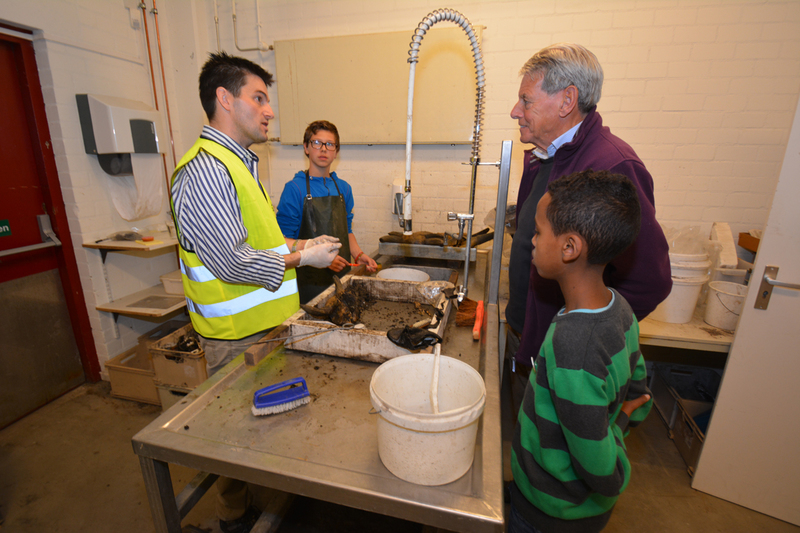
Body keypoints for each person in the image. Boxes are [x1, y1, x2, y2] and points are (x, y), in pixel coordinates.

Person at [170, 51, 341, 533]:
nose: (269, 110)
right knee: (235, 438)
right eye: (259, 97)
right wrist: (301, 259)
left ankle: (273, 506)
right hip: (235, 338)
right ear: (225, 99)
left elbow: (259, 242)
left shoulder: (240, 167)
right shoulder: (205, 170)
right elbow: (232, 260)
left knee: (267, 428)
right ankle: (233, 520)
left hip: (265, 329)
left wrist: (303, 243)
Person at [504, 43, 671, 411]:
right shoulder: (541, 157)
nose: (516, 111)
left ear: (567, 101)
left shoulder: (612, 166)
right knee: (532, 440)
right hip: (529, 335)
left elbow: (649, 281)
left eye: (526, 100)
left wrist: (581, 339)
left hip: (566, 358)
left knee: (567, 454)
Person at [509, 170, 653, 533]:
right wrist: (620, 417)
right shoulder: (618, 308)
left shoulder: (573, 346)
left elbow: (603, 472)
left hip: (553, 511)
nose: (531, 239)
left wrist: (614, 428)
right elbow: (640, 394)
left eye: (539, 232)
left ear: (569, 248)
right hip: (559, 496)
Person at [277, 120, 378, 303]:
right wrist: (318, 257)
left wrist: (359, 255)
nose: (323, 149)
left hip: (342, 278)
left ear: (336, 151)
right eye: (317, 143)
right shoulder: (294, 189)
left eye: (329, 144)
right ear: (306, 148)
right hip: (308, 284)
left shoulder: (344, 189)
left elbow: (347, 231)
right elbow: (283, 243)